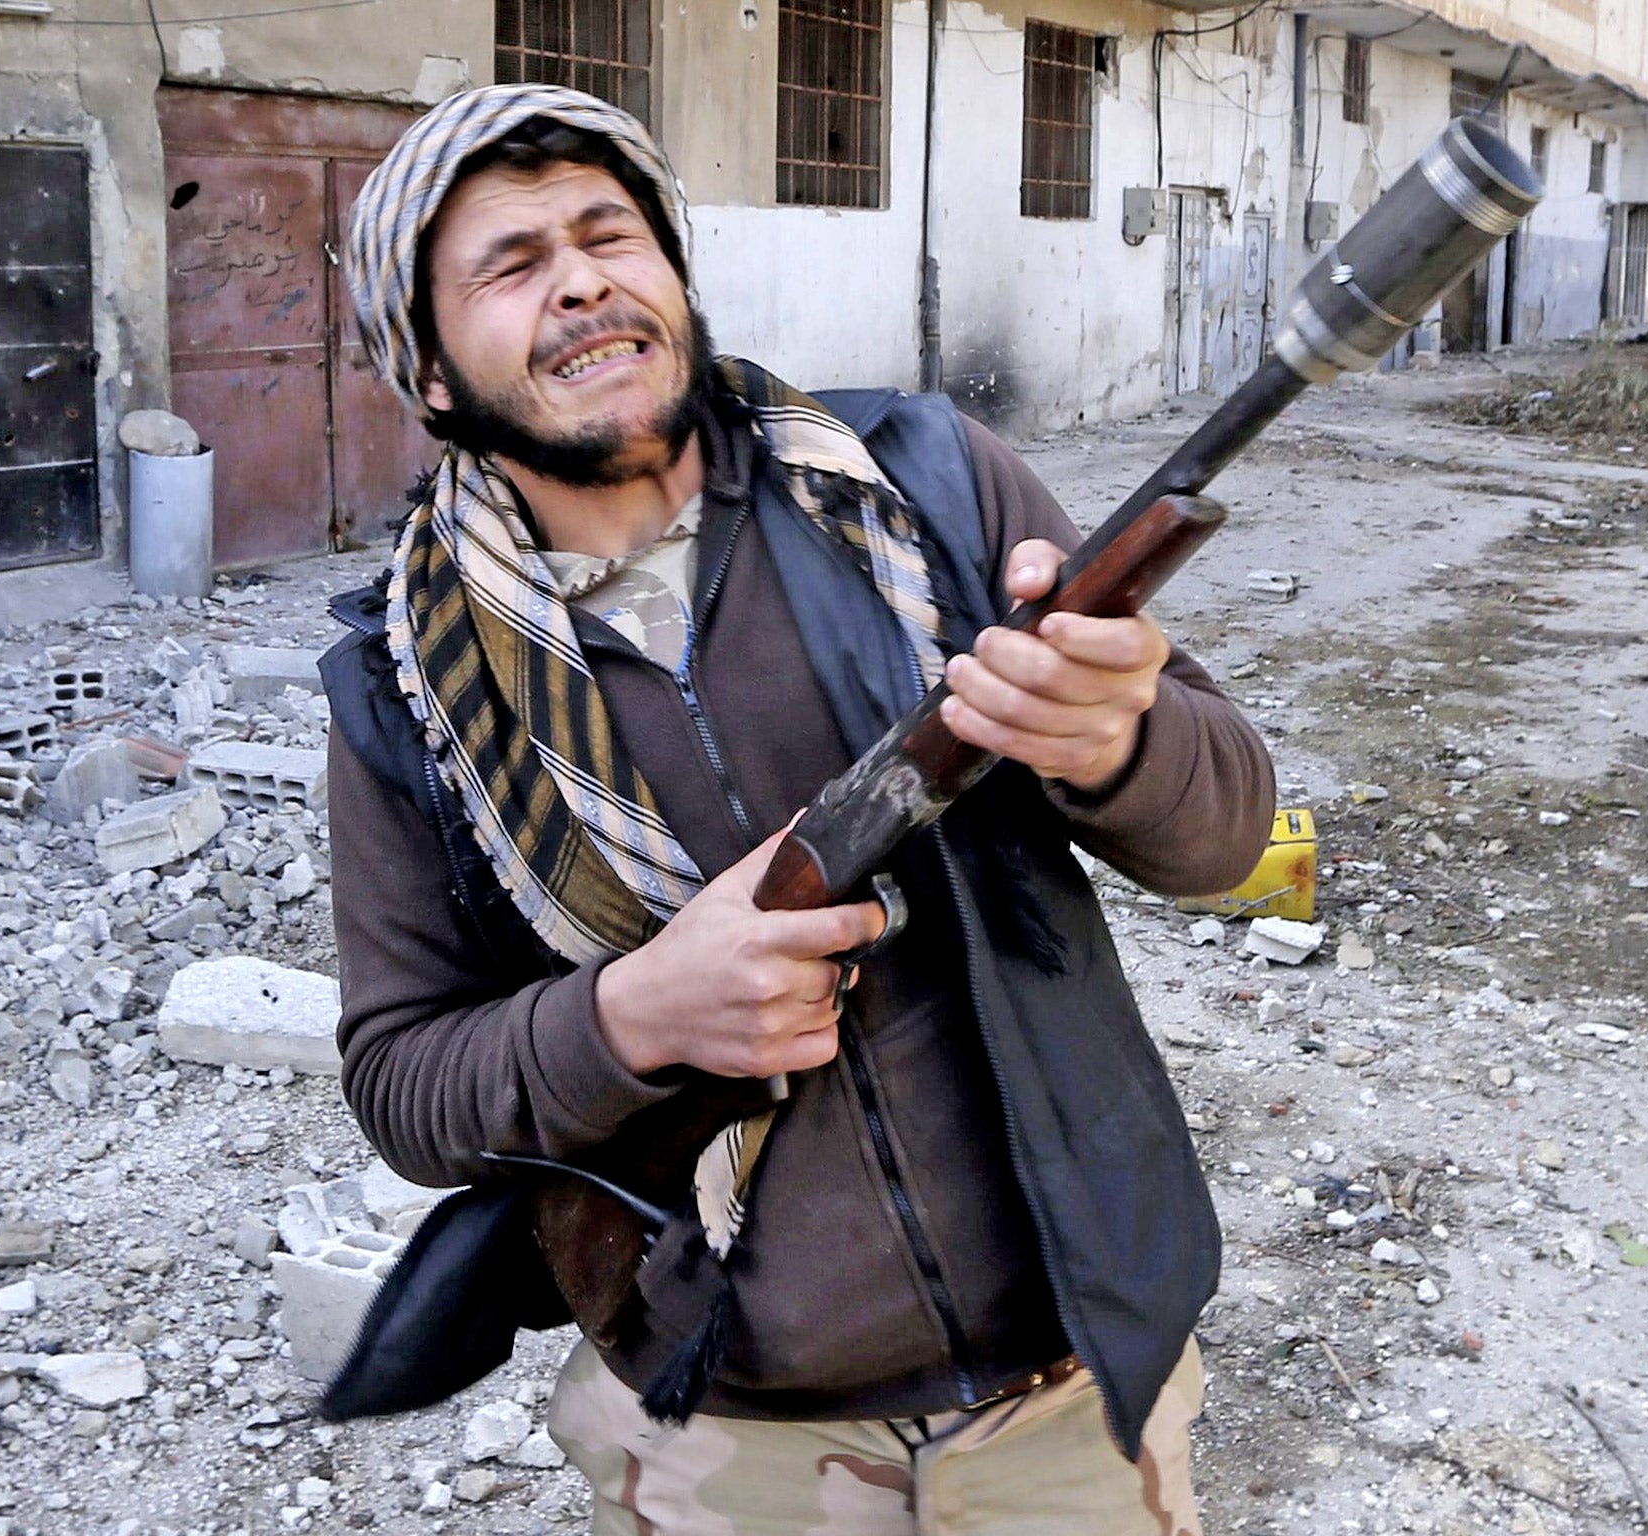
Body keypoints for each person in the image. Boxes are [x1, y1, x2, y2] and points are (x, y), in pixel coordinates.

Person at [323, 83, 1275, 1536]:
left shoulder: (928, 487)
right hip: (717, 1437)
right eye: (512, 265)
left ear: (674, 280)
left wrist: (1117, 738)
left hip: (1071, 1394)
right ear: (433, 373)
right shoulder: (403, 686)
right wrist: (636, 1015)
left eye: (609, 234)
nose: (581, 277)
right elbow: (404, 1081)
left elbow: (1227, 833)